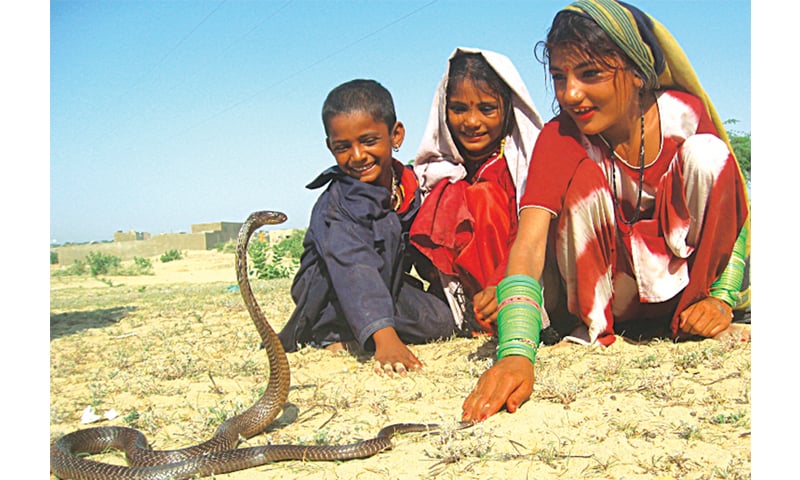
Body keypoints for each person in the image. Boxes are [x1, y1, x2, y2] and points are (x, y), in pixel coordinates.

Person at [461, 0, 750, 422]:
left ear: (637, 72)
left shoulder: (684, 116)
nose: (570, 94)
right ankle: (595, 329)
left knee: (710, 156)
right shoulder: (560, 137)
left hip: (683, 303)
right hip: (609, 302)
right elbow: (530, 243)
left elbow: (732, 209)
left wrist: (722, 301)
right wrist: (515, 354)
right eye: (559, 77)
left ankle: (702, 305)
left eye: (589, 74)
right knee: (582, 184)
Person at [278, 79, 457, 377]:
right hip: (335, 292)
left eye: (369, 141)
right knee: (368, 318)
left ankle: (372, 325)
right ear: (330, 147)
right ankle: (334, 334)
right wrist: (385, 339)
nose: (358, 156)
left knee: (443, 321)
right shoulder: (341, 202)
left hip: (386, 285)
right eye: (343, 147)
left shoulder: (409, 184)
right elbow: (353, 265)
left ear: (395, 135)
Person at [410, 48, 545, 335]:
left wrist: (502, 285)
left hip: (512, 282)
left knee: (481, 197)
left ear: (508, 109)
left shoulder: (518, 164)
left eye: (486, 108)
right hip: (462, 299)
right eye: (459, 109)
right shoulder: (438, 170)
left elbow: (526, 233)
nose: (471, 122)